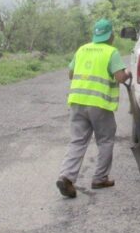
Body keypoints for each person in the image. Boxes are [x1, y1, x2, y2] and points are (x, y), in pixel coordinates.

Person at [56, 18, 131, 198]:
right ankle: (100, 178)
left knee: (78, 140)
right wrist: (128, 73)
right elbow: (120, 77)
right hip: (99, 105)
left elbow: (70, 74)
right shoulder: (111, 52)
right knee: (105, 140)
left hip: (77, 101)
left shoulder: (82, 49)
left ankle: (66, 176)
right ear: (111, 35)